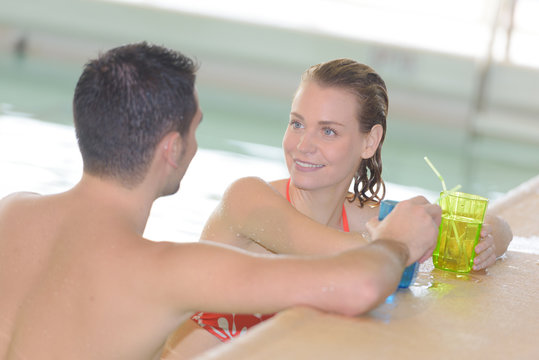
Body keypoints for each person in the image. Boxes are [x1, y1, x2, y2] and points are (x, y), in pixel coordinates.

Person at [0, 43, 442, 360]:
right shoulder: (162, 269)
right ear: (172, 150)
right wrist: (398, 244)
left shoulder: (13, 212)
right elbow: (359, 285)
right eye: (196, 129)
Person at [163, 59, 513, 358]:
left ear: (369, 141)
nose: (303, 145)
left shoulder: (363, 219)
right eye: (297, 123)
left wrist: (491, 239)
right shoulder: (247, 201)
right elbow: (370, 256)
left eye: (328, 131)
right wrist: (412, 240)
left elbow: (499, 226)